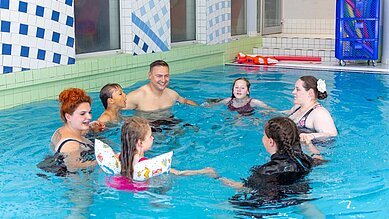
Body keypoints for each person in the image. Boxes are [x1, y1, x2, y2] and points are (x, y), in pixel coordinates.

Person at [213, 117, 323, 211]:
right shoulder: (305, 160)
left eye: (263, 135)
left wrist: (216, 176)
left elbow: (245, 188)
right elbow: (318, 158)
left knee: (221, 208)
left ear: (270, 142)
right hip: (298, 196)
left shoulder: (266, 171)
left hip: (268, 204)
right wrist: (309, 145)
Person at [106, 116, 216, 191]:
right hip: (143, 190)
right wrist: (203, 171)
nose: (153, 138)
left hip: (120, 185)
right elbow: (177, 173)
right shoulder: (148, 164)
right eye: (149, 136)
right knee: (165, 186)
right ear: (140, 143)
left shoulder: (119, 156)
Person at [44, 88, 100, 174]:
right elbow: (73, 170)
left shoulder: (60, 131)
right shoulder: (72, 146)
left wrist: (90, 126)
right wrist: (105, 161)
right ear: (68, 117)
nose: (89, 117)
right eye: (82, 114)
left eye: (89, 112)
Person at [124, 60, 199, 112]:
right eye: (159, 76)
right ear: (150, 75)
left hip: (170, 122)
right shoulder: (137, 96)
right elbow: (115, 109)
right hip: (148, 127)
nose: (163, 80)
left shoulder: (172, 94)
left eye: (166, 76)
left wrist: (202, 107)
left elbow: (185, 101)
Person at [288, 76, 338, 144]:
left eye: (298, 89)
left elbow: (332, 134)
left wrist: (311, 136)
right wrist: (269, 110)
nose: (293, 92)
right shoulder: (297, 107)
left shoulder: (319, 113)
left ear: (310, 93)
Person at [205, 78, 276, 116]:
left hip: (249, 121)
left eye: (242, 88)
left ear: (248, 91)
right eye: (236, 87)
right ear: (233, 90)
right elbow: (212, 106)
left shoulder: (253, 102)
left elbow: (273, 110)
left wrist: (265, 111)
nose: (239, 90)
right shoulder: (228, 101)